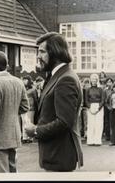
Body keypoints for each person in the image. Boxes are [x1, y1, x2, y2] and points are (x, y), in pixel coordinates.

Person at [25, 32, 83, 172]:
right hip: (54, 155)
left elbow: (64, 122)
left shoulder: (65, 79)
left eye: (42, 52)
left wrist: (36, 130)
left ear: (55, 52)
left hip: (59, 157)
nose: (38, 57)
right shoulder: (56, 76)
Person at [85, 73, 106, 146]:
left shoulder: (101, 89)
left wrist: (98, 108)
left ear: (97, 80)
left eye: (95, 79)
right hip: (90, 107)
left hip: (99, 107)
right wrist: (89, 108)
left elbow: (103, 100)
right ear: (90, 80)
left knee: (98, 124)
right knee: (91, 124)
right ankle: (90, 141)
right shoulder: (88, 89)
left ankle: (97, 141)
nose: (94, 80)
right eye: (92, 79)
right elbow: (86, 100)